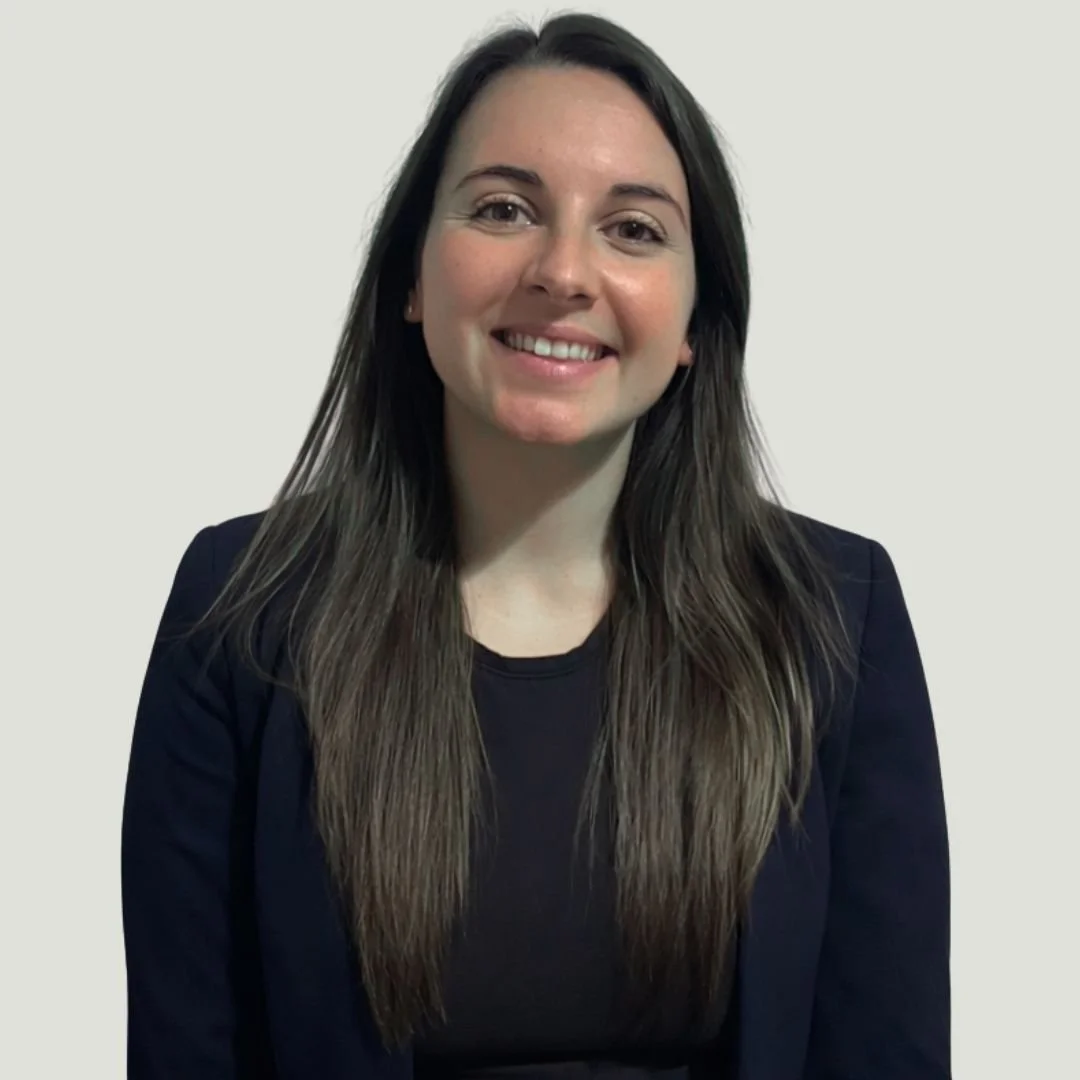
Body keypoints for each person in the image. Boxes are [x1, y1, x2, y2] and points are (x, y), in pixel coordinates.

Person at [121, 11, 950, 1080]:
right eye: (504, 209)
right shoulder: (243, 612)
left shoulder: (836, 616)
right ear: (413, 280)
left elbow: (886, 1054)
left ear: (697, 317)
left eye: (635, 229)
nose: (565, 271)